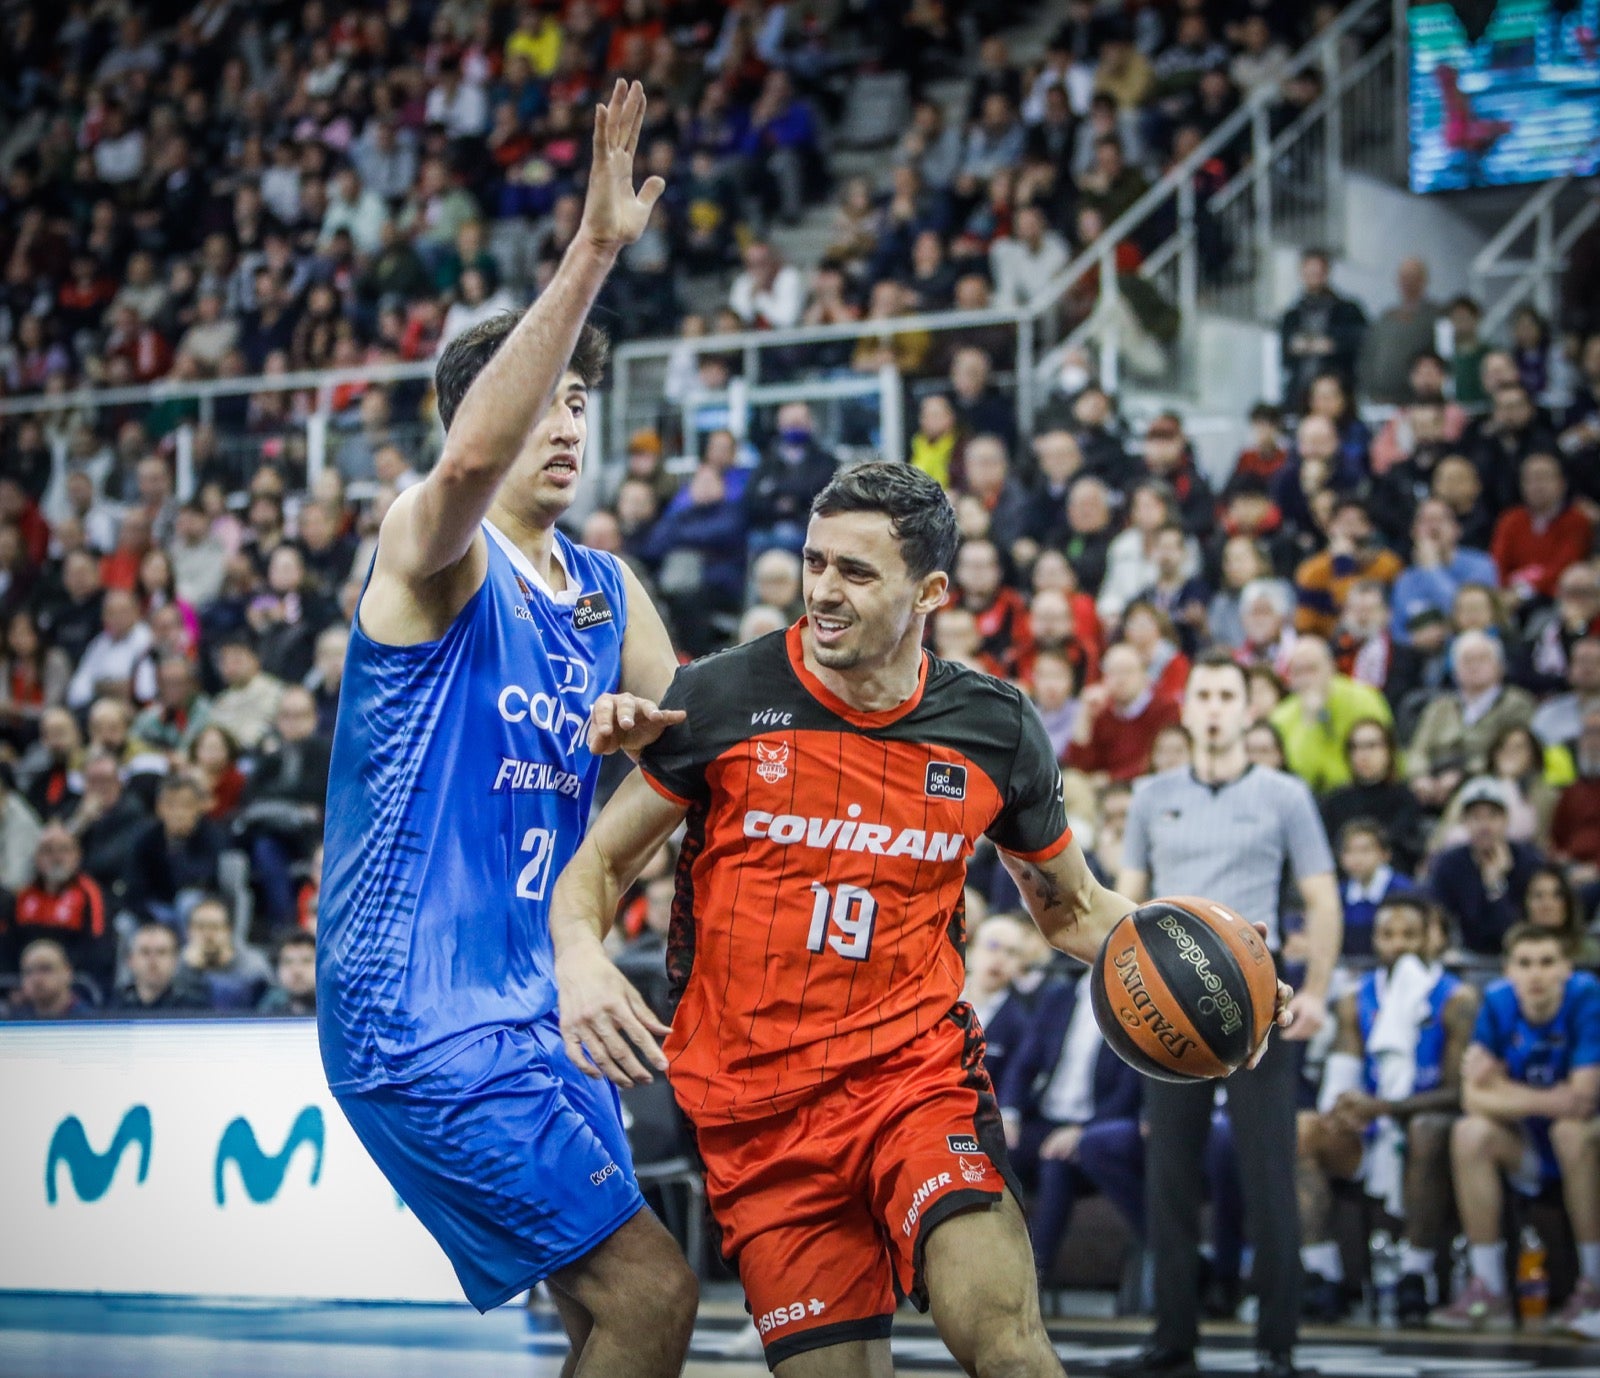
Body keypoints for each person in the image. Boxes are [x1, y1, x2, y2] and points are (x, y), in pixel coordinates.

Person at [548, 462, 1293, 1373]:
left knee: (1008, 1346)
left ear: (931, 591)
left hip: (914, 1080)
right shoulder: (722, 696)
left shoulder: (995, 727)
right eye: (816, 563)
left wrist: (1229, 981)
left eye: (857, 574)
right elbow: (600, 863)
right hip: (757, 1115)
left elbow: (1076, 911)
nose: (823, 592)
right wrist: (580, 955)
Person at [315, 84, 697, 1371]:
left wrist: (640, 770)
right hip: (415, 1011)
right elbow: (468, 469)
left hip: (540, 1003)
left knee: (601, 1314)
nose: (569, 423)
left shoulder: (603, 590)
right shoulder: (431, 552)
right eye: (546, 399)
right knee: (653, 1297)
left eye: (583, 406)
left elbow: (697, 754)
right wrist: (592, 251)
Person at [1115, 649, 1341, 1378]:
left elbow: (1323, 899)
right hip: (1168, 1014)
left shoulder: (1284, 794)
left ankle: (1279, 1344)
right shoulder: (1150, 796)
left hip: (1259, 1011)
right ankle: (1172, 1337)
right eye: (1202, 694)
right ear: (1187, 707)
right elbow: (1124, 903)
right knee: (1169, 1176)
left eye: (1226, 695)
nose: (1213, 706)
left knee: (1269, 1174)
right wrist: (1122, 996)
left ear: (1249, 710)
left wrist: (1319, 990)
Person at [1295, 896, 1477, 1324]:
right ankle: (1323, 1276)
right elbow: (1343, 1074)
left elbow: (1459, 1092)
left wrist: (1387, 1107)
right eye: (1388, 935)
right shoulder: (1355, 999)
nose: (1398, 945)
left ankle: (1415, 1275)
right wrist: (1343, 1109)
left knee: (1426, 1129)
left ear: (1429, 939)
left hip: (1430, 1121)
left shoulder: (1456, 999)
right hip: (1375, 1121)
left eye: (1409, 935)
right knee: (1302, 1130)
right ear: (1375, 941)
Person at [1431, 924, 1600, 1334]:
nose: (1536, 974)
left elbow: (1581, 1100)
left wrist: (1503, 1087)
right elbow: (1473, 1099)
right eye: (1524, 964)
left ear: (1566, 968)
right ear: (1508, 970)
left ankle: (1594, 1287)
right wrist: (1538, 1097)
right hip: (1527, 1143)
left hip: (1585, 1144)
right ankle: (1488, 1289)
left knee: (1570, 1131)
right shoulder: (1497, 1001)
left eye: (1547, 962)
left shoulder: (1585, 995)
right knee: (1470, 1132)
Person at [1427, 777, 1544, 957]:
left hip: (1522, 955)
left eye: (1492, 816)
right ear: (1464, 822)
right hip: (1464, 954)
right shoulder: (1449, 863)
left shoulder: (1528, 861)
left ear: (1505, 819)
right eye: (1475, 817)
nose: (1484, 825)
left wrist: (1496, 886)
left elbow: (1515, 931)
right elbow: (1440, 916)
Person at [109, 918, 212, 1013]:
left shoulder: (194, 1008)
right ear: (130, 960)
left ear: (175, 960)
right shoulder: (111, 1006)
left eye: (161, 952)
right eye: (145, 952)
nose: (153, 960)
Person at [4, 938, 89, 1019]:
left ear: (68, 972)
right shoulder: (14, 1023)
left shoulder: (91, 1022)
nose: (36, 979)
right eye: (28, 971)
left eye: (46, 969)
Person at [258, 930, 317, 1015]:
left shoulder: (333, 1005)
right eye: (288, 962)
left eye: (306, 961)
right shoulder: (266, 1007)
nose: (297, 971)